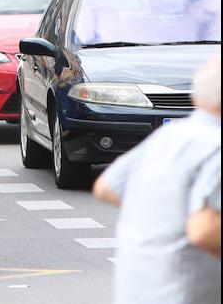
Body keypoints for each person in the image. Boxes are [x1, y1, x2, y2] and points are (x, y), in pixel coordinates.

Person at [93, 54, 220, 303]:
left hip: (137, 291)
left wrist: (166, 218)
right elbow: (204, 231)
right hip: (185, 293)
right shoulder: (215, 146)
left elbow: (107, 187)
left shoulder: (169, 135)